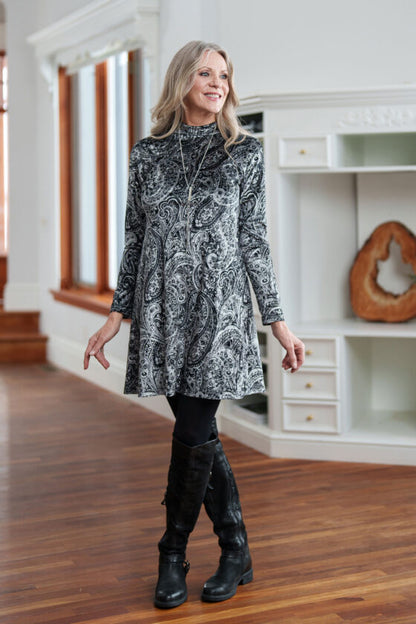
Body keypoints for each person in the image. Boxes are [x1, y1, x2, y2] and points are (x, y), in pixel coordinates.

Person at [84, 40, 305, 609]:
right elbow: (135, 239)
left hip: (219, 312)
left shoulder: (244, 153)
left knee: (193, 427)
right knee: (198, 433)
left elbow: (254, 242)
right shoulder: (146, 154)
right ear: (182, 79)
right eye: (205, 73)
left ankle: (172, 551)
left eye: (224, 75)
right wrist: (116, 315)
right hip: (161, 311)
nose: (216, 83)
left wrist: (277, 323)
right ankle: (236, 549)